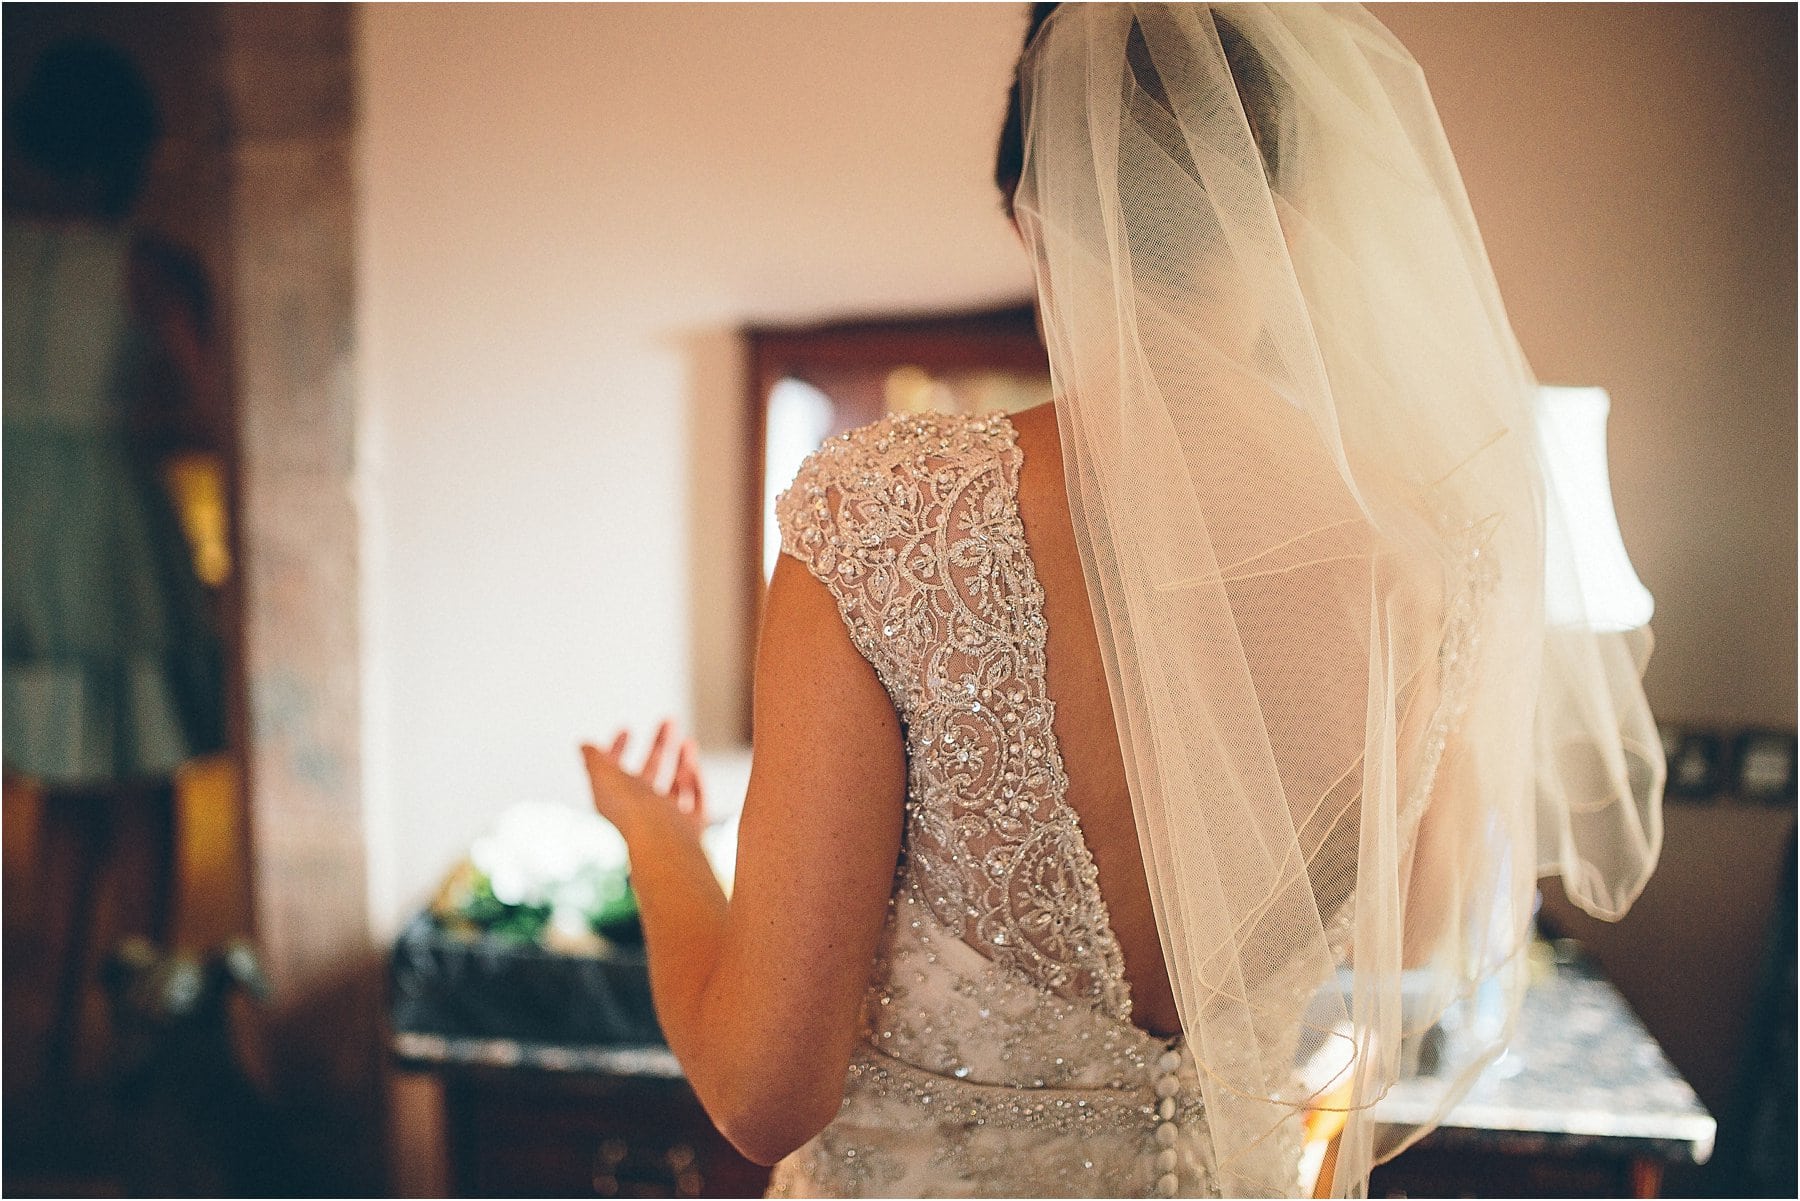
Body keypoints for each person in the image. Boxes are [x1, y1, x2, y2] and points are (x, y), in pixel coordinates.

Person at [580, 5, 1664, 1197]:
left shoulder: (889, 524)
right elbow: (1425, 925)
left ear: (1035, 212)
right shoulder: (1432, 552)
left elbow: (763, 1090)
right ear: (1290, 214)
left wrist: (658, 836)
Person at [3, 36, 228, 1086]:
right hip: (109, 539)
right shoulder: (144, 265)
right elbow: (213, 406)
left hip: (19, 539)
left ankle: (38, 1040)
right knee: (142, 791)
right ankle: (141, 1039)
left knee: (56, 792)